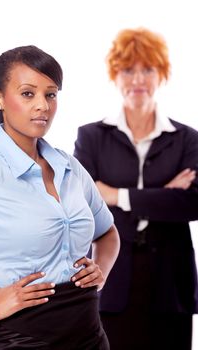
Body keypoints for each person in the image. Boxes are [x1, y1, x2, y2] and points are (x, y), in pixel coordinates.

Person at [0, 45, 120, 350]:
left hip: (88, 331)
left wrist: (100, 272)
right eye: (28, 94)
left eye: (50, 94)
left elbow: (107, 233)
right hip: (19, 336)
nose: (42, 105)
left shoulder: (70, 167)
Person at [74, 27, 198, 350]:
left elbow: (192, 204)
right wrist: (164, 195)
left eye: (148, 69)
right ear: (115, 75)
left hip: (171, 285)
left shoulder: (187, 139)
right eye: (128, 70)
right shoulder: (92, 137)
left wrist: (116, 195)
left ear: (162, 75)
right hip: (110, 281)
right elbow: (80, 205)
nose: (137, 79)